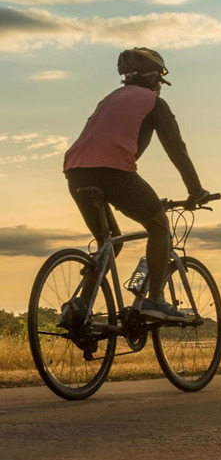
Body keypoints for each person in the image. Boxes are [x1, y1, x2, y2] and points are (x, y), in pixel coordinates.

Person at [63, 47, 210, 321]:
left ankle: (80, 307)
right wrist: (195, 191)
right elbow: (177, 149)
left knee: (110, 243)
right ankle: (153, 301)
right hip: (113, 173)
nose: (159, 87)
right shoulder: (153, 102)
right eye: (160, 82)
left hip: (76, 173)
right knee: (158, 224)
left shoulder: (110, 99)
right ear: (154, 78)